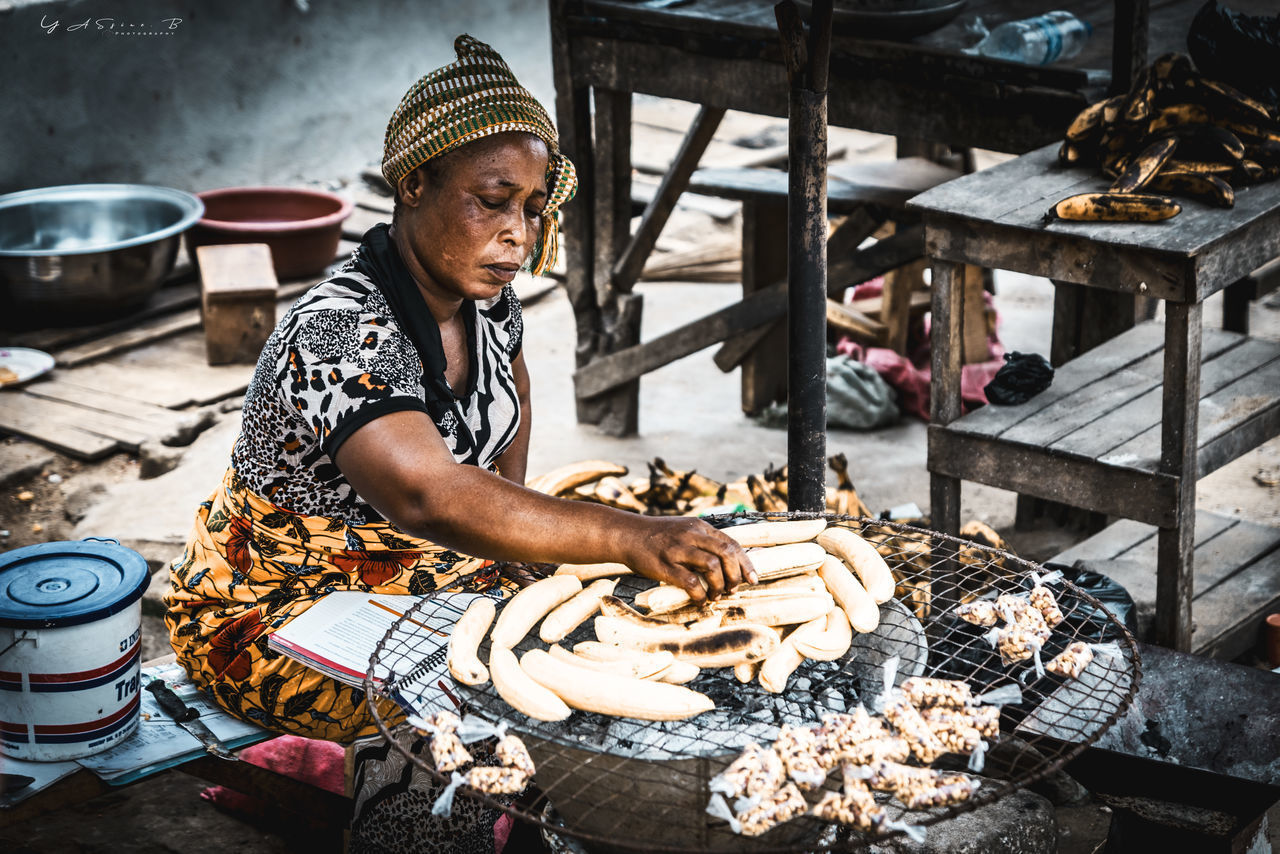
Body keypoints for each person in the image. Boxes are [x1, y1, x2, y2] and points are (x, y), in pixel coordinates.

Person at [164, 34, 752, 831]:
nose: (519, 232)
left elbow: (510, 396)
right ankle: (375, 809)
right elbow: (429, 494)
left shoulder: (486, 300)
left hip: (427, 580)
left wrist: (519, 547)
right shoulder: (336, 334)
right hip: (281, 611)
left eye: (533, 207)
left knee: (613, 644)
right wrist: (631, 535)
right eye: (493, 198)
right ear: (413, 186)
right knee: (485, 711)